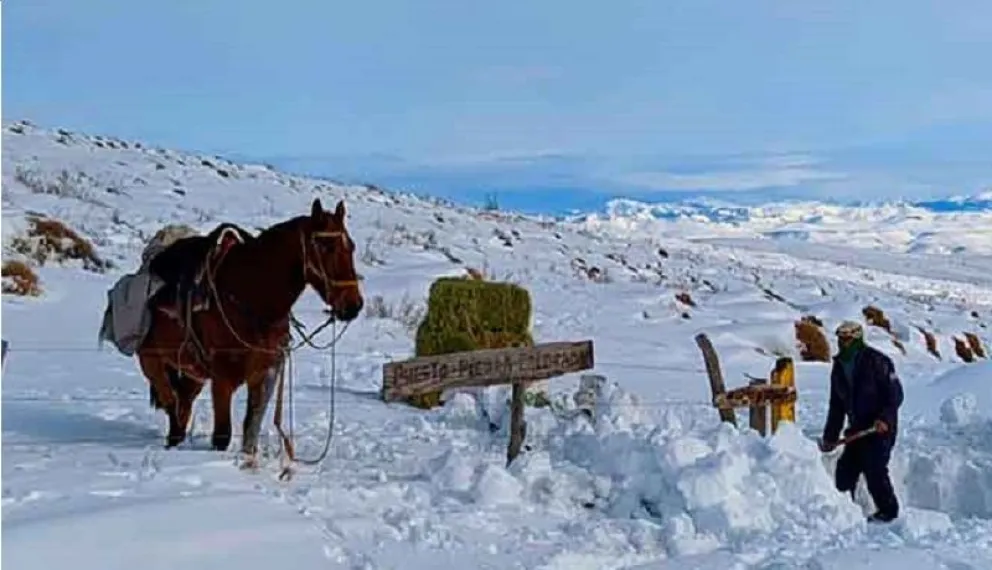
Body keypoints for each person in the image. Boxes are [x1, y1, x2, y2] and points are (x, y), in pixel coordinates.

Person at [819, 320, 904, 523]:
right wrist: (830, 437)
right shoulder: (839, 367)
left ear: (857, 339)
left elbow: (895, 395)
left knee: (874, 468)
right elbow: (837, 406)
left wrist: (884, 419)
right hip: (857, 430)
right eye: (840, 338)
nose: (843, 343)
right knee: (844, 473)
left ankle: (889, 514)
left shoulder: (877, 361)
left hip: (879, 429)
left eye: (847, 338)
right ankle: (847, 513)